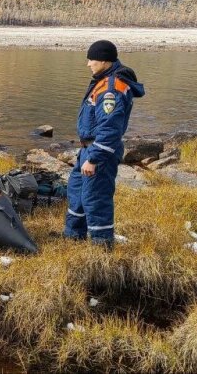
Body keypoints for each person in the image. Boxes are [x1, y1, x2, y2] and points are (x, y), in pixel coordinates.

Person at [64, 40, 145, 247]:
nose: (88, 64)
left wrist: (94, 158)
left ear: (103, 60)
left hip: (99, 152)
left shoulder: (112, 89)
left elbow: (110, 129)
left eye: (91, 59)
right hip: (88, 149)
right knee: (77, 191)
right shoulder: (103, 80)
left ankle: (102, 247)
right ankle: (73, 237)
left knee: (96, 198)